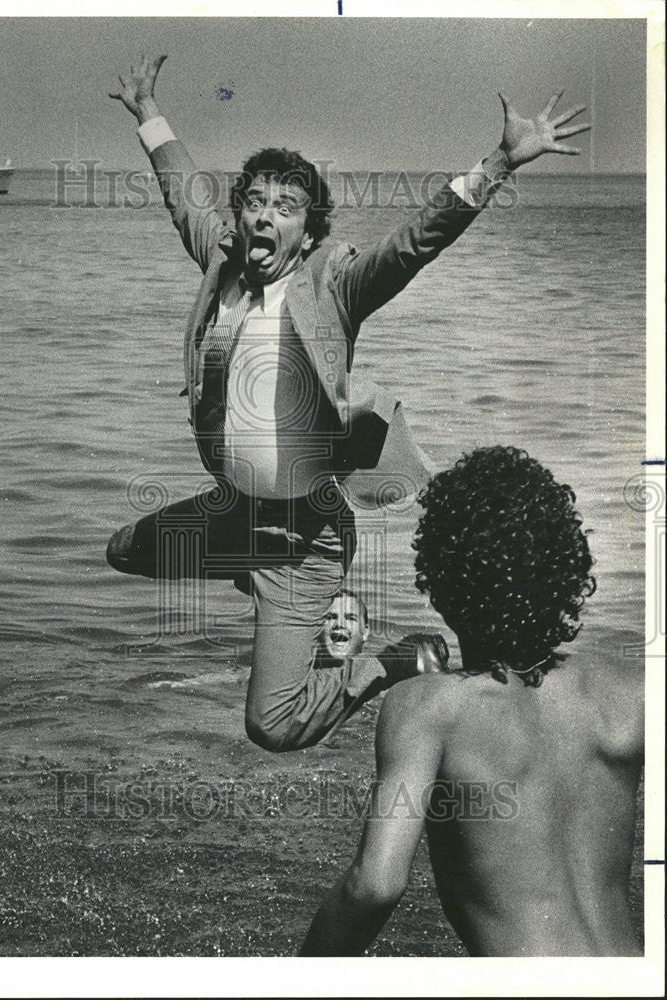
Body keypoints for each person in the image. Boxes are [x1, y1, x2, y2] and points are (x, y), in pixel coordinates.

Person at [106, 53, 591, 753]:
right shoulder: (222, 261)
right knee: (124, 552)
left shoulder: (336, 286)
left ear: (309, 229)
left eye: (287, 207)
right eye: (256, 201)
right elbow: (184, 192)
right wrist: (149, 113)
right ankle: (248, 573)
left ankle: (391, 660)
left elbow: (414, 244)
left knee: (273, 726)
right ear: (240, 215)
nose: (267, 216)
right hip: (233, 515)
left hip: (303, 536)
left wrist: (500, 163)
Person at [300, 446, 644, 956]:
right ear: (561, 569)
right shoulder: (633, 689)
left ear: (436, 584)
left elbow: (375, 885)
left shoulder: (427, 706)